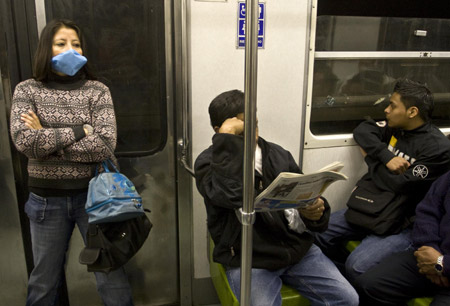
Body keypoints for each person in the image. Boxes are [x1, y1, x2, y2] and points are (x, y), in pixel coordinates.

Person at [194, 89, 358, 306]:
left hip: (296, 250)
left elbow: (304, 194)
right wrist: (227, 141)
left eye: (255, 124)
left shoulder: (278, 154)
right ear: (221, 131)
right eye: (244, 128)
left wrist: (315, 212)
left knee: (348, 299)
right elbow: (231, 195)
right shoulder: (208, 163)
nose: (253, 133)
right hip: (249, 260)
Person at [10, 19, 133, 306]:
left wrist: (47, 135)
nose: (70, 50)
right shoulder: (27, 90)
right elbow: (26, 143)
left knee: (111, 277)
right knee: (44, 281)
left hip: (97, 197)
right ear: (46, 49)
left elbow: (103, 146)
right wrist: (80, 130)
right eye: (61, 43)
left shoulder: (97, 91)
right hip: (45, 201)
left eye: (76, 44)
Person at [315, 79, 450, 283]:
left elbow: (400, 184)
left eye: (393, 106)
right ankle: (341, 283)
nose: (386, 110)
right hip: (372, 207)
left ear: (412, 112)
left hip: (401, 221)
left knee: (357, 266)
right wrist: (385, 157)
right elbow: (363, 130)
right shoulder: (396, 128)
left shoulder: (437, 148)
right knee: (317, 234)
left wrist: (370, 158)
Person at [354, 170, 450, 305]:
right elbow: (428, 211)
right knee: (369, 285)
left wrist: (442, 264)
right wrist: (430, 250)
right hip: (433, 254)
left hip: (442, 262)